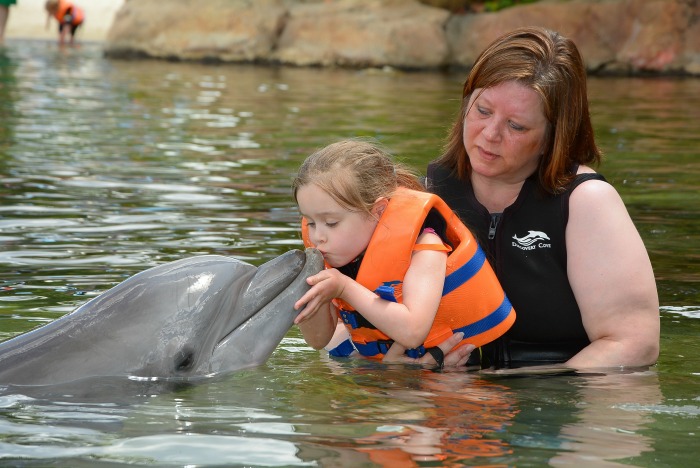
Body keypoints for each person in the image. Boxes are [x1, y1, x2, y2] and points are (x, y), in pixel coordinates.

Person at [426, 26, 660, 369]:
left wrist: (518, 392)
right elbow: (351, 329)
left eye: (516, 126)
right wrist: (399, 366)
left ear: (553, 137)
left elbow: (634, 344)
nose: (490, 135)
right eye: (483, 111)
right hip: (449, 396)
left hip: (558, 400)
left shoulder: (587, 203)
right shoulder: (427, 196)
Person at [292, 139, 515, 368]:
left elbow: (412, 332)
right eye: (310, 223)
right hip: (386, 369)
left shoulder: (426, 249)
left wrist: (344, 288)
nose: (318, 236)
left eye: (331, 222)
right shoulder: (332, 257)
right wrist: (308, 293)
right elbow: (317, 340)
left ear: (377, 211)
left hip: (448, 378)